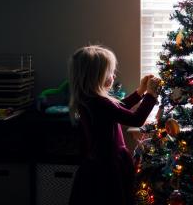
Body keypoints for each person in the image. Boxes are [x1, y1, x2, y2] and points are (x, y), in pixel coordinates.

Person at [68, 45, 161, 205]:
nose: (113, 75)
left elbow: (119, 109)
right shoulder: (100, 102)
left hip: (98, 164)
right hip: (109, 167)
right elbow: (136, 119)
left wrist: (140, 92)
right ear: (97, 76)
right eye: (110, 72)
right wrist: (151, 95)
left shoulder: (89, 99)